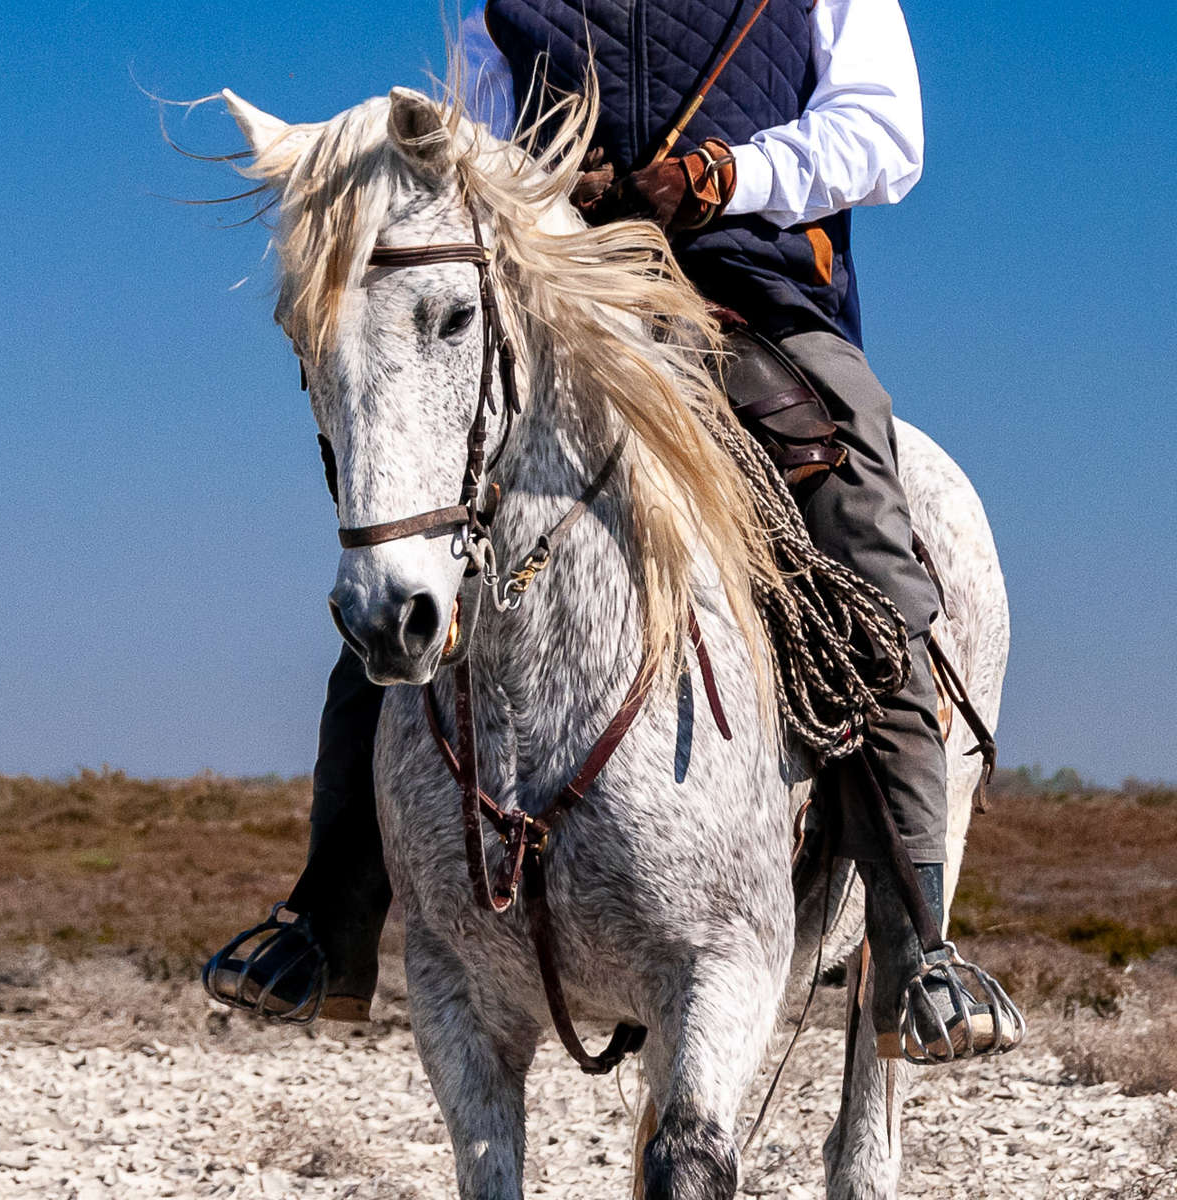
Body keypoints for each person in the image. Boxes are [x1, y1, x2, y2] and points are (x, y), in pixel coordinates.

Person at [204, 0, 1020, 1062]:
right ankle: (329, 920)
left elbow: (883, 134)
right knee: (410, 565)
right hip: (565, 312)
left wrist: (720, 179)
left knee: (868, 543)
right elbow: (473, 158)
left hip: (753, 306)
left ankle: (917, 943)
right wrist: (541, 192)